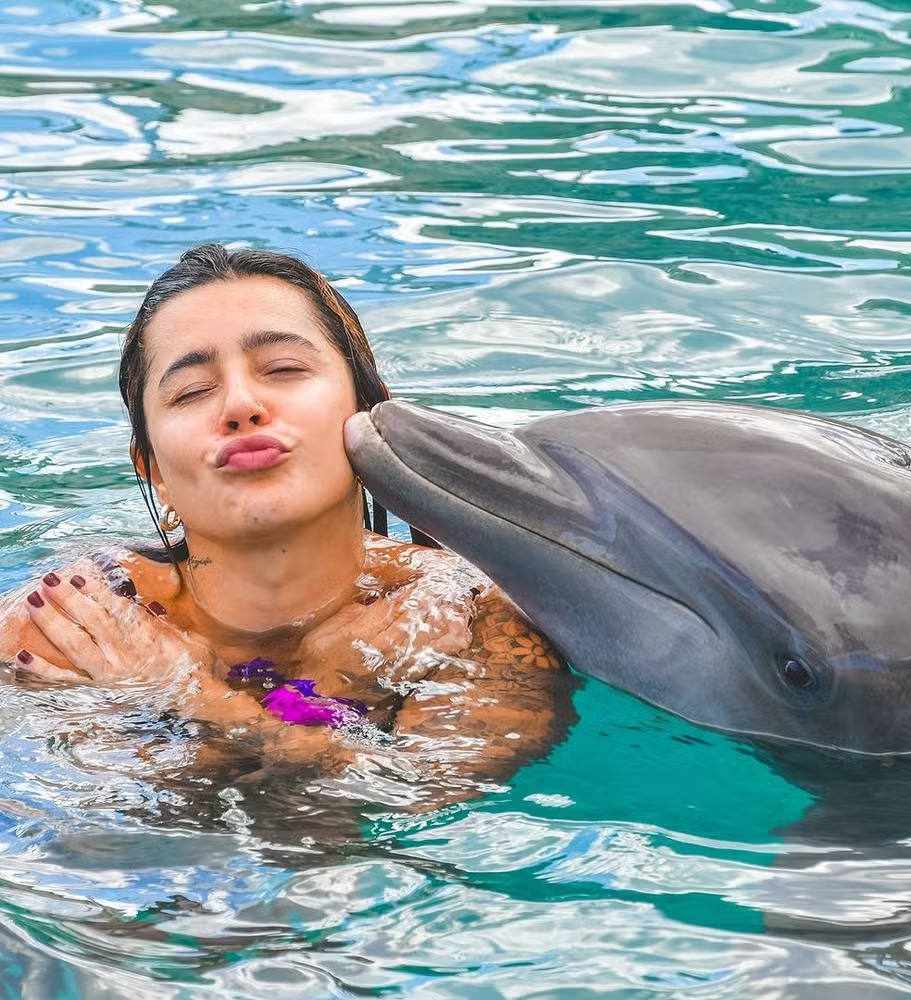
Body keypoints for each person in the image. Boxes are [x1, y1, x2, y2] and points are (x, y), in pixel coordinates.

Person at [0, 245, 571, 803]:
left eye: (284, 368)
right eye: (192, 391)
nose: (242, 406)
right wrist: (330, 695)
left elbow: (418, 803)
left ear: (372, 423)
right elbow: (93, 849)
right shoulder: (73, 618)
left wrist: (188, 695)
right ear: (154, 473)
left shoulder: (473, 615)